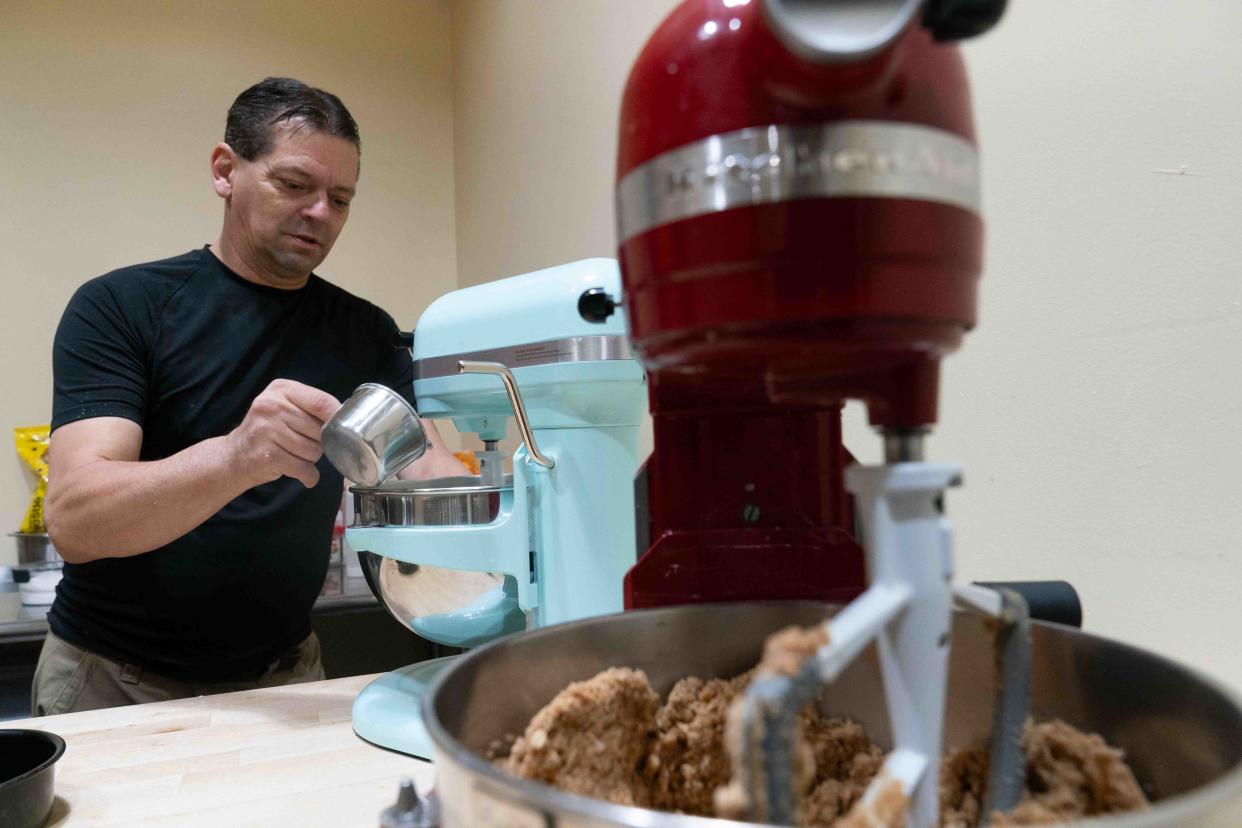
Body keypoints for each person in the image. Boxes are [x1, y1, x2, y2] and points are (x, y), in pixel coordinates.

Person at [34, 77, 466, 715]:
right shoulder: (122, 307)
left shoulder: (365, 331)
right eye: (294, 185)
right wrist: (236, 457)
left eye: (340, 199)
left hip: (287, 676)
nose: (320, 212)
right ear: (225, 171)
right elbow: (75, 519)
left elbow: (424, 469)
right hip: (115, 679)